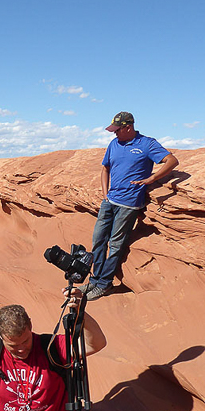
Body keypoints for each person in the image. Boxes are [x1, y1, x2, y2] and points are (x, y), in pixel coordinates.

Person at [85, 111, 179, 301]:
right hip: (110, 200)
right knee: (98, 239)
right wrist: (105, 194)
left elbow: (172, 161)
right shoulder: (114, 144)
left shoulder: (147, 144)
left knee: (116, 243)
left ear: (128, 127)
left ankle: (104, 283)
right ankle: (95, 279)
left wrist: (152, 178)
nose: (114, 134)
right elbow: (105, 168)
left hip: (128, 204)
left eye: (117, 130)